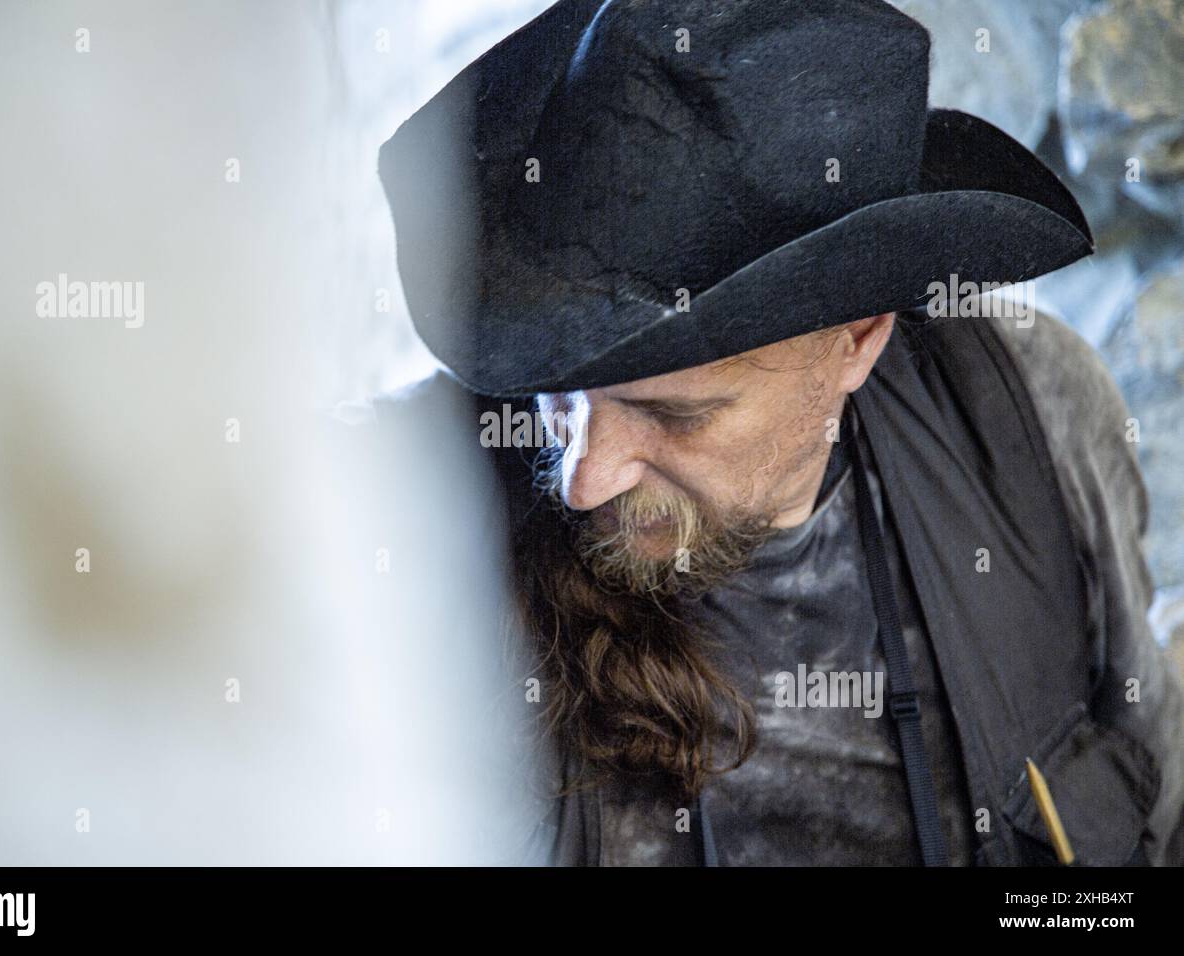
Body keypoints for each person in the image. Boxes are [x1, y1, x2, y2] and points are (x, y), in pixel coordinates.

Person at [370, 0, 1184, 864]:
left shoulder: (1035, 405)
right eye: (556, 393)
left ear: (856, 341)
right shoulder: (399, 498)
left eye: (671, 413)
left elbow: (1155, 812)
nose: (583, 476)